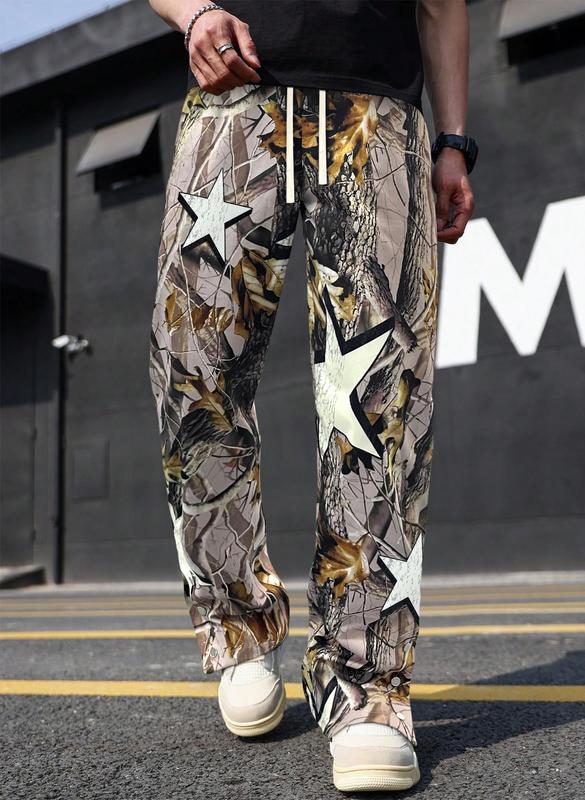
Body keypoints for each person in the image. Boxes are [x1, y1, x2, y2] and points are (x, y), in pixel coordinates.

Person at [147, 0, 476, 792]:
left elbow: (442, 4)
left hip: (378, 113)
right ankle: (240, 626)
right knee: (192, 369)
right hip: (234, 103)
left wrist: (454, 141)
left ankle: (363, 683)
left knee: (379, 400)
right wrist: (194, 14)